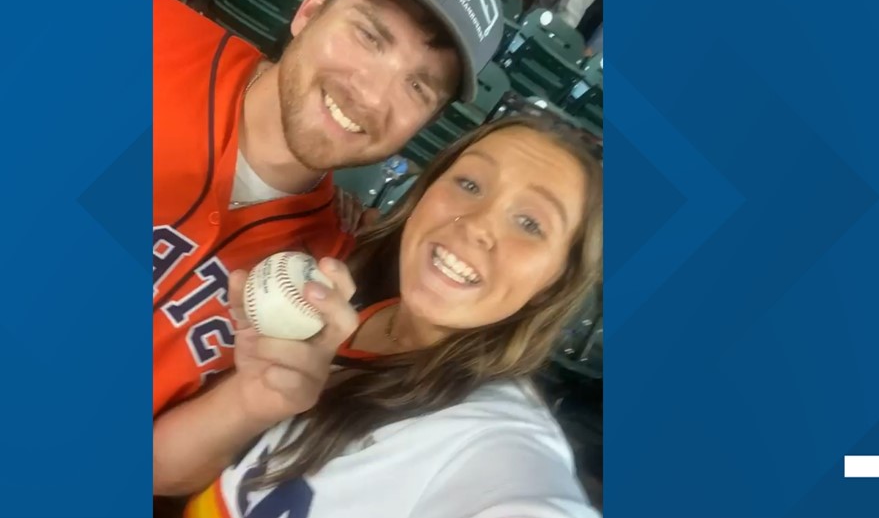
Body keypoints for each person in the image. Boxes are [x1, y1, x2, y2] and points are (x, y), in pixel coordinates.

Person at [157, 115, 603, 517]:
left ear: (556, 281)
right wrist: (248, 404)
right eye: (469, 184)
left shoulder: (495, 437)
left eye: (530, 224)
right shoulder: (346, 291)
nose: (477, 225)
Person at [152, 0, 504, 419]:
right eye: (368, 35)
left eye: (419, 87)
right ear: (311, 8)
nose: (372, 96)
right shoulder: (151, 36)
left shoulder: (326, 268)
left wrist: (249, 407)